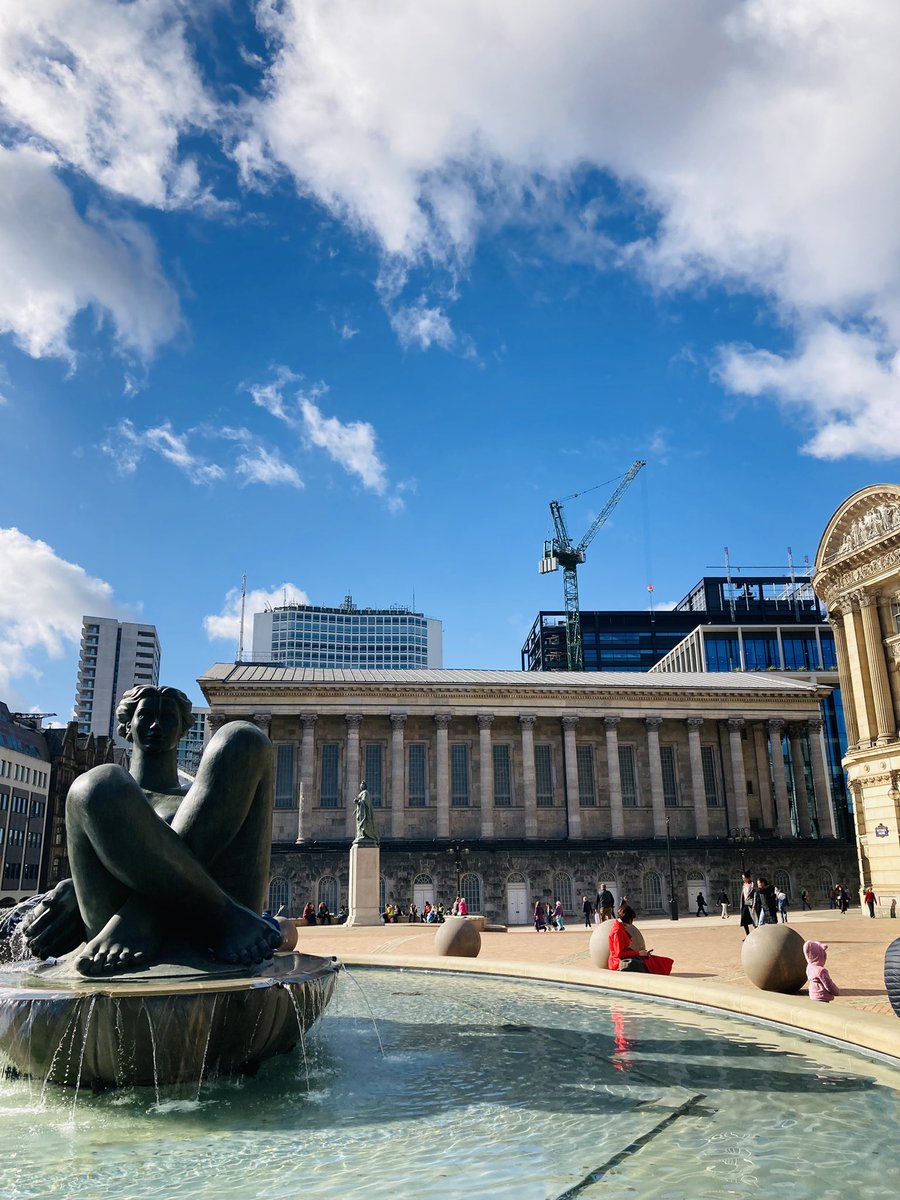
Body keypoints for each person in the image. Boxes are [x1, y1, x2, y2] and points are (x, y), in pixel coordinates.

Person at [22, 684, 281, 977]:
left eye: (168, 718)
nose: (157, 725)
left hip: (184, 927)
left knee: (243, 738)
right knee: (96, 783)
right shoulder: (104, 798)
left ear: (184, 729)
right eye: (145, 716)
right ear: (126, 725)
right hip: (210, 921)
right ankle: (223, 912)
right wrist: (75, 889)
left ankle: (140, 918)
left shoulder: (212, 796)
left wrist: (135, 912)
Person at [607, 905, 673, 975]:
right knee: (650, 963)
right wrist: (639, 953)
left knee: (651, 961)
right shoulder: (618, 931)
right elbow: (620, 954)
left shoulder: (618, 927)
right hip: (618, 962)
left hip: (619, 959)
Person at [354, 780, 379, 845]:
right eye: (361, 785)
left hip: (364, 812)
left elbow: (365, 802)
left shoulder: (365, 793)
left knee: (363, 824)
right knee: (360, 825)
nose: (361, 786)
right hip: (361, 812)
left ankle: (364, 835)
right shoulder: (362, 793)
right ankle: (361, 835)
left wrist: (358, 801)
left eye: (362, 785)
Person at [739, 873, 755, 939]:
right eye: (742, 878)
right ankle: (748, 935)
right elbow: (743, 894)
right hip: (745, 903)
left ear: (748, 878)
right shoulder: (744, 885)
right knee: (744, 919)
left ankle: (756, 933)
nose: (743, 879)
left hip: (751, 903)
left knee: (754, 919)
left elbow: (754, 894)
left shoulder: (752, 884)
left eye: (744, 878)